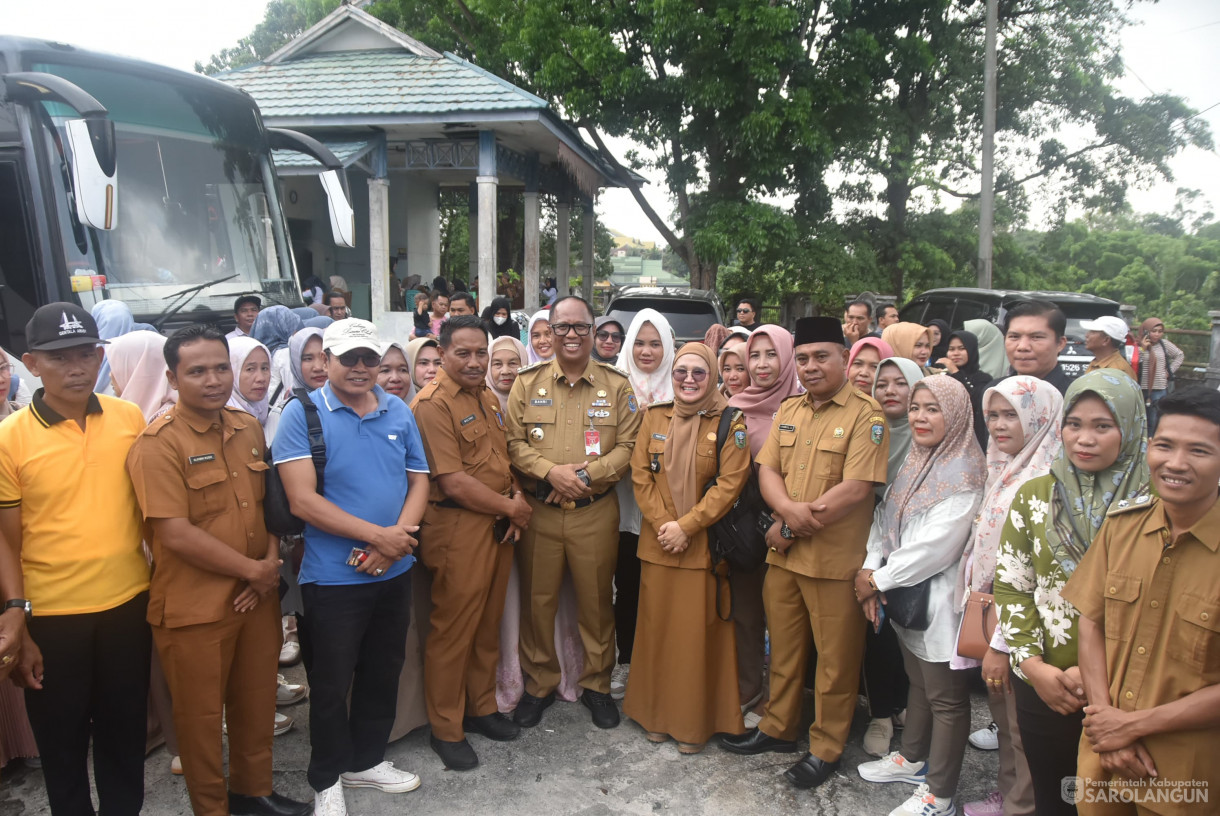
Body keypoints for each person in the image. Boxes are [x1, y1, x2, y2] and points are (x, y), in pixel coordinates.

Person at [126, 325, 309, 816]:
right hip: (196, 609)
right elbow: (176, 533)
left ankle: (255, 793)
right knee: (201, 721)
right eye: (197, 371)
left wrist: (268, 565)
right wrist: (253, 571)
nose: (213, 379)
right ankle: (213, 808)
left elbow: (268, 507)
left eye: (220, 367)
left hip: (257, 596)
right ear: (172, 376)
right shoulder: (157, 444)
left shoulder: (246, 426)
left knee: (254, 705)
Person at [721, 316, 889, 792]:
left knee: (836, 663)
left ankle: (825, 747)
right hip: (784, 558)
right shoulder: (790, 409)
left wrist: (790, 524)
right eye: (805, 358)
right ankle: (778, 728)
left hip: (834, 563)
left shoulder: (865, 414)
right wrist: (788, 510)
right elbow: (767, 470)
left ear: (843, 358)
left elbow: (856, 489)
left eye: (822, 357)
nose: (811, 367)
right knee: (787, 653)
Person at [0, 303, 151, 816]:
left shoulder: (128, 417)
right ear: (31, 362)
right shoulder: (9, 438)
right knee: (62, 745)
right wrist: (17, 613)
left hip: (129, 605)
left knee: (124, 736)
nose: (77, 367)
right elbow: (5, 538)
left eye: (87, 353)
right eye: (60, 356)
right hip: (53, 617)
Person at [274, 319, 429, 816]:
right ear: (327, 362)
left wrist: (396, 543)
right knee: (332, 680)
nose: (361, 369)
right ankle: (326, 777)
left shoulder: (397, 408)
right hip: (334, 576)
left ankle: (366, 759)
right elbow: (301, 500)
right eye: (349, 359)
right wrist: (378, 538)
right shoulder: (302, 414)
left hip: (392, 571)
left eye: (370, 360)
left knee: (383, 669)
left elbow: (419, 480)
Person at [994, 372, 1149, 816]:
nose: (1084, 439)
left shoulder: (1153, 502)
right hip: (1045, 686)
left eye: (1103, 426)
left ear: (1132, 426)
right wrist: (1032, 665)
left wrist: (1093, 671)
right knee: (1055, 799)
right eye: (1074, 423)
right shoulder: (1035, 495)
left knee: (1117, 803)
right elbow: (1012, 584)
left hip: (1126, 691)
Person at [1060, 386, 1217, 816]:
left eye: (1199, 451)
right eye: (1164, 446)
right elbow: (1091, 622)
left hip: (1188, 775)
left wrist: (1127, 727)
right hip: (1102, 759)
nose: (1176, 463)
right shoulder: (1122, 527)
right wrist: (1104, 718)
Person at [504, 296, 643, 730]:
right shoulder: (527, 383)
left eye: (580, 327)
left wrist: (586, 477)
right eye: (561, 327)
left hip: (594, 510)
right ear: (548, 329)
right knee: (538, 601)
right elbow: (512, 443)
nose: (570, 335)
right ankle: (540, 683)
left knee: (597, 601)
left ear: (593, 330)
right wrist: (551, 472)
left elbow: (629, 445)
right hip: (540, 511)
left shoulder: (617, 386)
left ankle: (597, 685)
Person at [855, 375, 987, 816]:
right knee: (918, 681)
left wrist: (877, 581)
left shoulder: (965, 472)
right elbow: (884, 517)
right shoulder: (916, 459)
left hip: (939, 603)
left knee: (947, 698)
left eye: (933, 409)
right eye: (916, 407)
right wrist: (871, 567)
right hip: (904, 597)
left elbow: (936, 548)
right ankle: (912, 759)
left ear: (957, 415)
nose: (920, 417)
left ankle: (940, 793)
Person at [409, 316, 530, 771]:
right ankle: (446, 727)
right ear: (442, 354)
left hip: (497, 523)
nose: (476, 362)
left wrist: (515, 497)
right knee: (453, 631)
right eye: (464, 353)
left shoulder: (485, 397)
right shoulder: (432, 404)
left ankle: (481, 708)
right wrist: (512, 509)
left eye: (481, 352)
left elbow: (500, 458)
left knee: (487, 625)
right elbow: (454, 481)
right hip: (458, 529)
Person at [624, 342, 751, 752]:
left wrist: (687, 527)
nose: (690, 380)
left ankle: (692, 725)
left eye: (699, 372)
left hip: (702, 550)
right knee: (657, 636)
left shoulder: (731, 422)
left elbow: (731, 485)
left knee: (694, 642)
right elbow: (640, 475)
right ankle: (656, 716)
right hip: (659, 545)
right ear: (672, 375)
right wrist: (666, 526)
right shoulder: (654, 417)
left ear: (713, 375)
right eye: (682, 372)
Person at [956, 376, 1064, 816]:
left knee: (1022, 726)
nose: (1000, 426)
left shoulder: (1046, 479)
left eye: (1011, 415)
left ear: (1039, 417)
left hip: (1022, 628)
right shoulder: (1003, 465)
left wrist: (1003, 642)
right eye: (993, 415)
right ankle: (1008, 794)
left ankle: (1023, 805)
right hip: (990, 611)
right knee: (1004, 718)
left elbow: (1037, 577)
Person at [726, 325, 804, 716]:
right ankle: (747, 689)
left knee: (786, 622)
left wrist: (787, 524)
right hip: (744, 532)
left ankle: (781, 702)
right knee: (746, 615)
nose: (760, 365)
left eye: (770, 354)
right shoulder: (734, 405)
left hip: (794, 532)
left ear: (788, 357)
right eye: (753, 356)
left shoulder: (805, 406)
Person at [858, 357, 925, 759]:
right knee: (877, 631)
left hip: (920, 553)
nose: (890, 391)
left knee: (912, 632)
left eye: (901, 383)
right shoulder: (869, 432)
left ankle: (903, 706)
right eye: (882, 384)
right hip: (871, 545)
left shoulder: (930, 436)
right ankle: (880, 713)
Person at [611, 309, 677, 700]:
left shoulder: (682, 383)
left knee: (664, 586)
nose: (646, 351)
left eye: (655, 343)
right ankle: (626, 661)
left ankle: (663, 662)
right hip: (621, 506)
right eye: (639, 342)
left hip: (667, 509)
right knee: (627, 584)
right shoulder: (615, 385)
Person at [265, 328, 329, 443]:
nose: (318, 367)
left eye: (323, 357)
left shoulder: (347, 405)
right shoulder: (282, 412)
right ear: (295, 362)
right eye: (308, 359)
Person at [995, 301, 1070, 394]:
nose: (1022, 347)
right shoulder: (995, 391)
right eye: (1014, 337)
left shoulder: (1075, 397)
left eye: (1036, 337)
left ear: (1060, 344)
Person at [938, 330, 993, 450]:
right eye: (951, 349)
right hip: (946, 439)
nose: (956, 353)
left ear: (972, 350)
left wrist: (955, 372)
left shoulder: (983, 379)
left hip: (973, 441)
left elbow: (973, 402)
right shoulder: (943, 378)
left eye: (962, 348)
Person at [107, 331, 178, 423]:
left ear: (138, 369)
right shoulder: (123, 413)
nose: (110, 374)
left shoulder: (167, 421)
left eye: (116, 366)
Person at [1137, 316, 1184, 435]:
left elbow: (1179, 355)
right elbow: (1136, 362)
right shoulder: (1137, 346)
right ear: (1146, 331)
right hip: (1141, 387)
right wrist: (1143, 348)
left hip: (1159, 388)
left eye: (1160, 331)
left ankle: (1153, 443)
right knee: (1140, 419)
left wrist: (1169, 371)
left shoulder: (1164, 344)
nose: (1157, 334)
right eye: (1154, 331)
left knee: (1155, 420)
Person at [252, 305, 305, 405]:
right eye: (293, 325)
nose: (296, 330)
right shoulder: (286, 354)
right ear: (283, 327)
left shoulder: (257, 352)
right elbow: (296, 390)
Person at [227, 336, 273, 427]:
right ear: (232, 371)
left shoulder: (270, 414)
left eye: (264, 368)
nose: (261, 378)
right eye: (250, 369)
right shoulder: (223, 422)